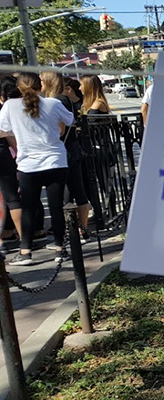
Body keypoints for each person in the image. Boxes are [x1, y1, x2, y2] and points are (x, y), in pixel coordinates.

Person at [0, 73, 74, 265]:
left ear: (18, 87)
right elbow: (69, 120)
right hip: (55, 160)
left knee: (28, 207)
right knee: (56, 207)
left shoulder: (10, 106)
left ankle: (25, 251)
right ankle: (60, 249)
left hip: (28, 164)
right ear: (40, 85)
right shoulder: (52, 104)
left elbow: (3, 128)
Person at [41, 72, 92, 239]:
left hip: (65, 150)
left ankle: (76, 230)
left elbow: (60, 129)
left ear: (49, 82)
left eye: (42, 80)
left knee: (68, 192)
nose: (40, 83)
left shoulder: (57, 101)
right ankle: (81, 230)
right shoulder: (63, 99)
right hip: (71, 148)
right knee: (76, 190)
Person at [0, 76, 23, 247]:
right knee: (11, 196)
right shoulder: (3, 108)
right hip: (3, 154)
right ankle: (24, 237)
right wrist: (19, 152)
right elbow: (8, 135)